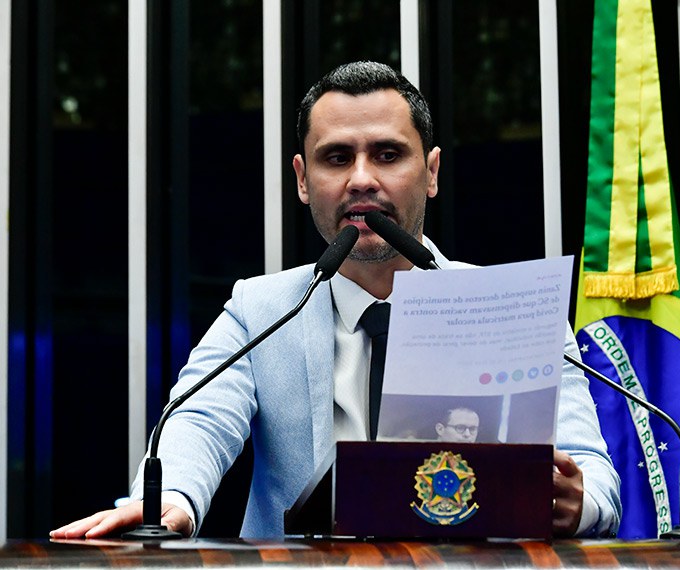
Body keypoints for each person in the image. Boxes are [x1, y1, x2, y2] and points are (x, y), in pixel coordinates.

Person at [50, 61, 621, 539]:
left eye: (388, 154)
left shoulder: (509, 307)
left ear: (431, 172)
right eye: (338, 158)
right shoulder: (262, 310)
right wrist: (171, 498)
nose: (361, 179)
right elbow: (199, 420)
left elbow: (595, 475)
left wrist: (580, 502)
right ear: (303, 180)